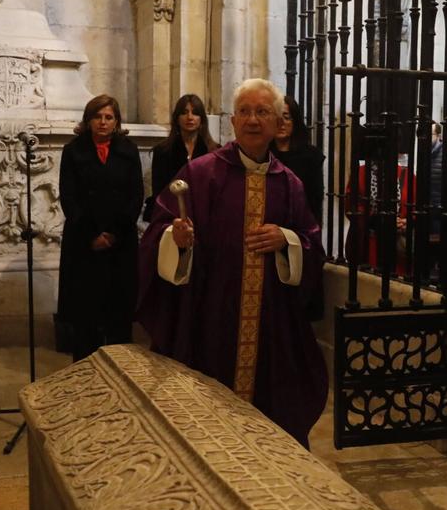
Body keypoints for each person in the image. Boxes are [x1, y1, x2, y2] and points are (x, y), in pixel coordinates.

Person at [136, 78, 327, 447]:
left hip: (269, 320)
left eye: (262, 112)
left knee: (269, 418)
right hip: (211, 313)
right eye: (245, 112)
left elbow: (312, 244)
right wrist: (176, 240)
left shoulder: (290, 184)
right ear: (233, 122)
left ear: (277, 122)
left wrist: (286, 240)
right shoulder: (200, 174)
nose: (253, 120)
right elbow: (160, 228)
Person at [58, 95, 144, 362]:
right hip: (84, 244)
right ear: (88, 120)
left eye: (109, 117)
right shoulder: (73, 151)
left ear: (116, 121)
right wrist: (92, 235)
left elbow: (135, 195)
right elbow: (69, 197)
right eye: (98, 116)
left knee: (118, 313)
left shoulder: (129, 150)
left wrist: (113, 234)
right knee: (86, 316)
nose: (103, 122)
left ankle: (121, 369)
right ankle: (86, 372)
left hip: (120, 243)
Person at [147, 94, 216, 219]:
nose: (190, 117)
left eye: (195, 113)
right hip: (172, 217)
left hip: (205, 217)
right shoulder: (163, 151)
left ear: (201, 119)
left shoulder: (213, 151)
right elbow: (160, 192)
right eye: (184, 112)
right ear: (177, 118)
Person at [272, 95, 324, 222]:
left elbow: (314, 199)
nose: (281, 123)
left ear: (295, 121)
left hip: (299, 225)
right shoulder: (261, 154)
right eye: (277, 117)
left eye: (286, 117)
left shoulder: (310, 156)